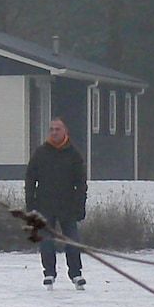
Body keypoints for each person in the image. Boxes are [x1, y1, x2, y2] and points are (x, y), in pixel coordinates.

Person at [24, 116, 88, 289]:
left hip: (68, 206)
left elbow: (81, 183)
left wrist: (80, 206)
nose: (54, 132)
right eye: (51, 129)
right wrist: (30, 205)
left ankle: (76, 274)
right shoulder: (40, 153)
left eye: (57, 129)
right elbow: (30, 179)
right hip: (44, 205)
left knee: (72, 241)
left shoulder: (74, 155)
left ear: (65, 131)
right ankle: (49, 273)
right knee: (46, 242)